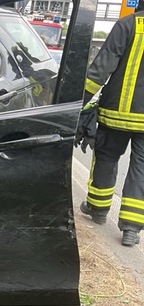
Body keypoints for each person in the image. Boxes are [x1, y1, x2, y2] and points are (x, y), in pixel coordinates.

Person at [76, 2, 144, 247]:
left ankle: (98, 208)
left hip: (116, 113)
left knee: (106, 157)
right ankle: (131, 229)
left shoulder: (127, 25)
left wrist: (78, 102)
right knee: (141, 169)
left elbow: (101, 69)